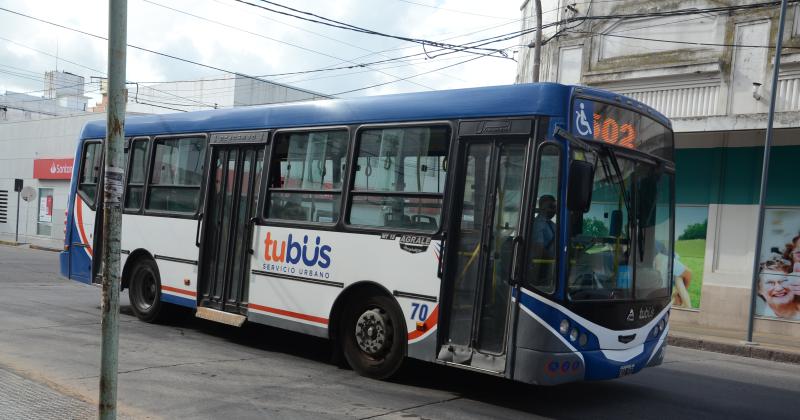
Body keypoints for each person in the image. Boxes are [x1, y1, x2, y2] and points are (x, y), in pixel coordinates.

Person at [757, 256, 800, 320]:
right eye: (770, 283)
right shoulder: (761, 315)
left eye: (783, 281)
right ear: (759, 289)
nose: (779, 288)